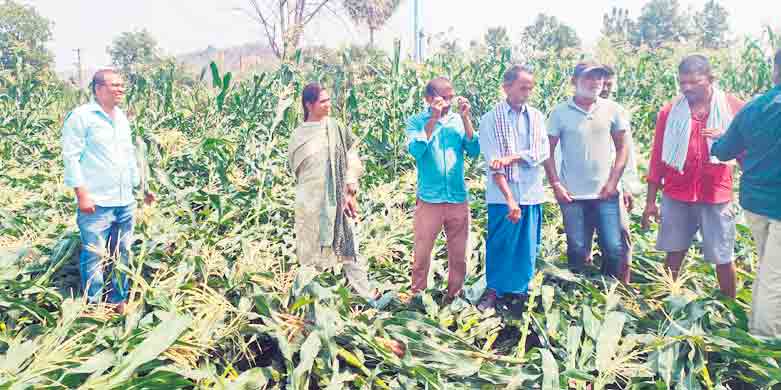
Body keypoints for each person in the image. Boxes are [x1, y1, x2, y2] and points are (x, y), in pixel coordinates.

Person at [642, 55, 744, 298]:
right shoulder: (670, 111)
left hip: (716, 193)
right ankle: (666, 301)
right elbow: (657, 157)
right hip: (677, 192)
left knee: (722, 255)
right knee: (674, 251)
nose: (687, 87)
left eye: (694, 82)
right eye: (682, 82)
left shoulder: (733, 107)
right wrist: (650, 202)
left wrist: (726, 138)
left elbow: (748, 149)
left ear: (711, 79)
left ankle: (731, 306)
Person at [61, 68, 155, 314]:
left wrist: (142, 188)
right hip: (97, 201)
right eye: (115, 85)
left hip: (124, 201)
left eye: (122, 85)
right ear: (98, 89)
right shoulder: (81, 117)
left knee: (121, 253)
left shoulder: (121, 118)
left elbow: (129, 157)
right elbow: (71, 158)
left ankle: (117, 300)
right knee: (95, 255)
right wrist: (81, 194)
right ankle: (93, 307)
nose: (121, 89)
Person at [711, 49, 781, 335]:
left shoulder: (754, 107)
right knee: (775, 277)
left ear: (775, 70)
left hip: (754, 202)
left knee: (769, 269)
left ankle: (758, 324)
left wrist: (719, 140)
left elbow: (724, 150)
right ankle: (765, 340)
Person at [544, 61, 632, 282]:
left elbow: (623, 148)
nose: (594, 82)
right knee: (577, 248)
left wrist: (613, 183)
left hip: (606, 193)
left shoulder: (612, 110)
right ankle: (578, 293)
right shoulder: (559, 112)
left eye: (598, 78)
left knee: (613, 247)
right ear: (574, 81)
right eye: (588, 78)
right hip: (572, 195)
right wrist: (556, 185)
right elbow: (547, 150)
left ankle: (608, 291)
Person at [288, 82, 375, 299]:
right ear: (309, 104)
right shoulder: (299, 135)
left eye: (329, 100)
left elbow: (351, 153)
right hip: (310, 202)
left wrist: (350, 183)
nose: (329, 105)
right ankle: (306, 298)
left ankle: (366, 294)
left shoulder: (335, 127)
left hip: (338, 200)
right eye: (323, 101)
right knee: (310, 252)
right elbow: (295, 168)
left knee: (349, 247)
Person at [476, 65, 549, 310]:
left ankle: (519, 290)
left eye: (530, 88)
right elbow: (493, 162)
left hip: (530, 192)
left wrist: (514, 158)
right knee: (500, 243)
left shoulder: (537, 117)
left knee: (527, 246)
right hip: (502, 194)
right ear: (506, 87)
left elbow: (543, 152)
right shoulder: (489, 120)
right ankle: (494, 289)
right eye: (522, 87)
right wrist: (510, 200)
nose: (527, 93)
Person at [405, 77, 479, 303]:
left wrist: (466, 118)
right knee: (422, 253)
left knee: (458, 254)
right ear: (428, 99)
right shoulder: (416, 122)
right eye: (442, 98)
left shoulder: (458, 120)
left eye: (450, 97)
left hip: (457, 197)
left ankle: (453, 296)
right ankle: (418, 296)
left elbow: (474, 149)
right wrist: (433, 121)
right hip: (430, 200)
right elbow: (416, 150)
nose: (448, 102)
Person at [579, 64, 641, 273]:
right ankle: (582, 284)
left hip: (612, 185)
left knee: (619, 236)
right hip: (581, 186)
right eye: (601, 83)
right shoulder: (572, 109)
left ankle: (621, 285)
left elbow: (626, 151)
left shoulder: (616, 111)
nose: (604, 88)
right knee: (582, 237)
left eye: (608, 84)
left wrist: (627, 185)